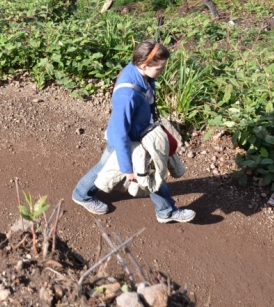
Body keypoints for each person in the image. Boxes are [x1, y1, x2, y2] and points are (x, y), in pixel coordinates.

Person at [72, 40, 196, 223]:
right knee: (150, 172)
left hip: (137, 134)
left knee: (111, 167)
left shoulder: (137, 71)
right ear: (145, 65)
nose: (162, 72)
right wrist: (127, 168)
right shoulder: (127, 94)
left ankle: (81, 194)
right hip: (128, 140)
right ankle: (166, 212)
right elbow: (119, 132)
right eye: (160, 69)